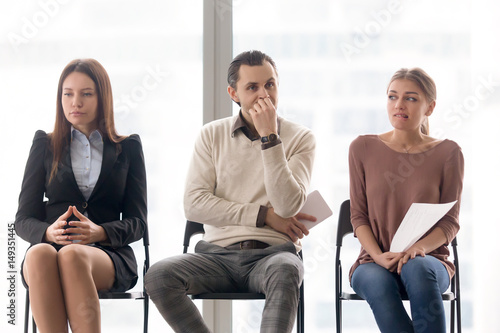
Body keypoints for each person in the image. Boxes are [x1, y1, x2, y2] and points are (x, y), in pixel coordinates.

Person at [145, 50, 316, 333]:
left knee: (287, 269)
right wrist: (261, 215)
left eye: (270, 84)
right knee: (159, 276)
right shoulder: (211, 135)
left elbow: (287, 207)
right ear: (233, 93)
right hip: (216, 257)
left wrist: (270, 138)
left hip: (273, 255)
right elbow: (194, 204)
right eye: (252, 87)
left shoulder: (301, 138)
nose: (264, 95)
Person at [15, 58, 147, 333]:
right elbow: (23, 219)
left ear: (103, 98)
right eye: (68, 94)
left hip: (107, 255)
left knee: (73, 255)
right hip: (50, 252)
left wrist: (99, 232)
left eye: (86, 94)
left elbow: (138, 223)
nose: (76, 102)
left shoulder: (128, 148)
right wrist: (49, 233)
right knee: (39, 254)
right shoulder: (44, 145)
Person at [348, 67, 464, 333]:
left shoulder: (449, 153)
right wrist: (377, 256)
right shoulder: (362, 148)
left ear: (430, 107)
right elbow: (358, 217)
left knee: (417, 268)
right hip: (372, 262)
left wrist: (418, 249)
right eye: (392, 97)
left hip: (430, 261)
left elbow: (450, 223)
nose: (399, 105)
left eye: (411, 98)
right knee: (378, 283)